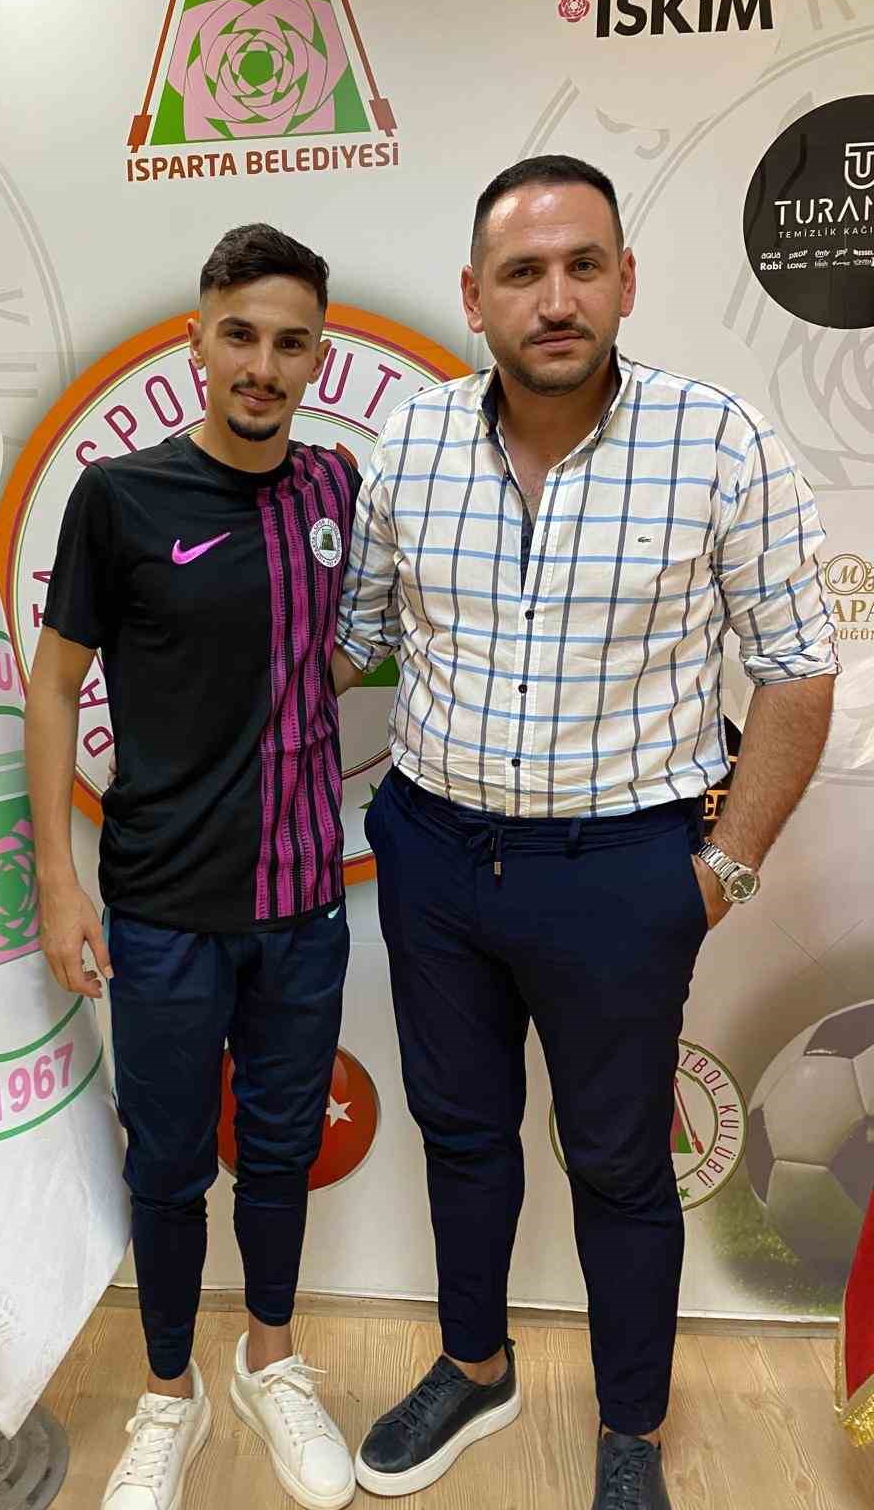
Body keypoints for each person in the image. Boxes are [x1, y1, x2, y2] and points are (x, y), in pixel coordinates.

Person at [332, 154, 837, 1509]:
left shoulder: (718, 443)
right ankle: (475, 1365)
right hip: (435, 853)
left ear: (625, 280)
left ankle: (629, 1429)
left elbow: (798, 670)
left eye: (582, 266)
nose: (554, 299)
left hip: (624, 872)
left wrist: (721, 870)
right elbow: (356, 638)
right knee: (461, 1131)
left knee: (619, 1163)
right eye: (523, 273)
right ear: (474, 296)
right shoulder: (411, 446)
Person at [26, 222, 360, 1510]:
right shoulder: (120, 498)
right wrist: (58, 880)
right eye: (241, 336)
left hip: (303, 901)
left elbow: (341, 647)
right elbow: (53, 688)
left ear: (317, 356)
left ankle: (270, 1360)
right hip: (161, 906)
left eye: (290, 343)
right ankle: (170, 1394)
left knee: (277, 1153)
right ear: (197, 341)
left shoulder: (336, 490)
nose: (263, 366)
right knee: (164, 1165)